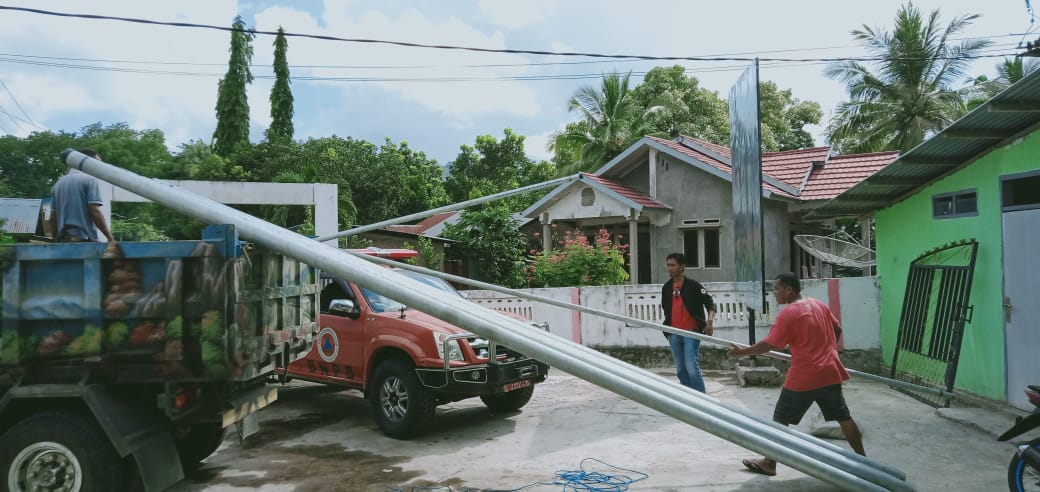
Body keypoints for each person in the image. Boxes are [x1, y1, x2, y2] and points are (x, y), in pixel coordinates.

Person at [727, 272, 865, 477]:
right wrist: (824, 350)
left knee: (780, 419)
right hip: (829, 371)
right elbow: (837, 330)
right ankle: (864, 463)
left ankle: (769, 463)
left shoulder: (789, 313)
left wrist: (741, 353)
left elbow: (769, 344)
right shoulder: (818, 305)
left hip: (804, 375)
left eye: (777, 289)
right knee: (843, 417)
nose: (775, 294)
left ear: (789, 290)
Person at [661, 252, 716, 393]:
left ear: (682, 267)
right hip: (673, 333)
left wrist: (709, 322)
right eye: (668, 265)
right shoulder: (666, 288)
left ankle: (702, 401)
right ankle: (688, 398)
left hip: (691, 332)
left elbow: (710, 304)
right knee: (680, 369)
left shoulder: (693, 286)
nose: (669, 268)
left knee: (691, 367)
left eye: (673, 265)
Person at [49, 148, 115, 244]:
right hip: (82, 240)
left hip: (63, 240)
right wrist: (110, 238)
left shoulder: (58, 184)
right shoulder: (89, 180)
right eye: (97, 164)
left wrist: (55, 241)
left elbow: (53, 218)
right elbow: (94, 211)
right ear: (88, 163)